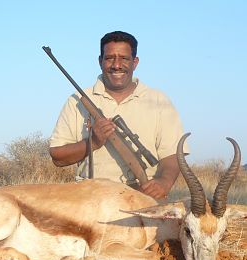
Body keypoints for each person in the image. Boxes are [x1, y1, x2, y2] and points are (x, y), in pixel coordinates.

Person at [49, 31, 188, 200]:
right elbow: (58, 157)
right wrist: (93, 142)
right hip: (89, 197)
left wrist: (163, 183)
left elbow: (173, 154)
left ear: (135, 62)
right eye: (109, 58)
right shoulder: (77, 100)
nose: (116, 65)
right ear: (100, 61)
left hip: (143, 196)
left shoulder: (159, 100)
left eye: (124, 58)